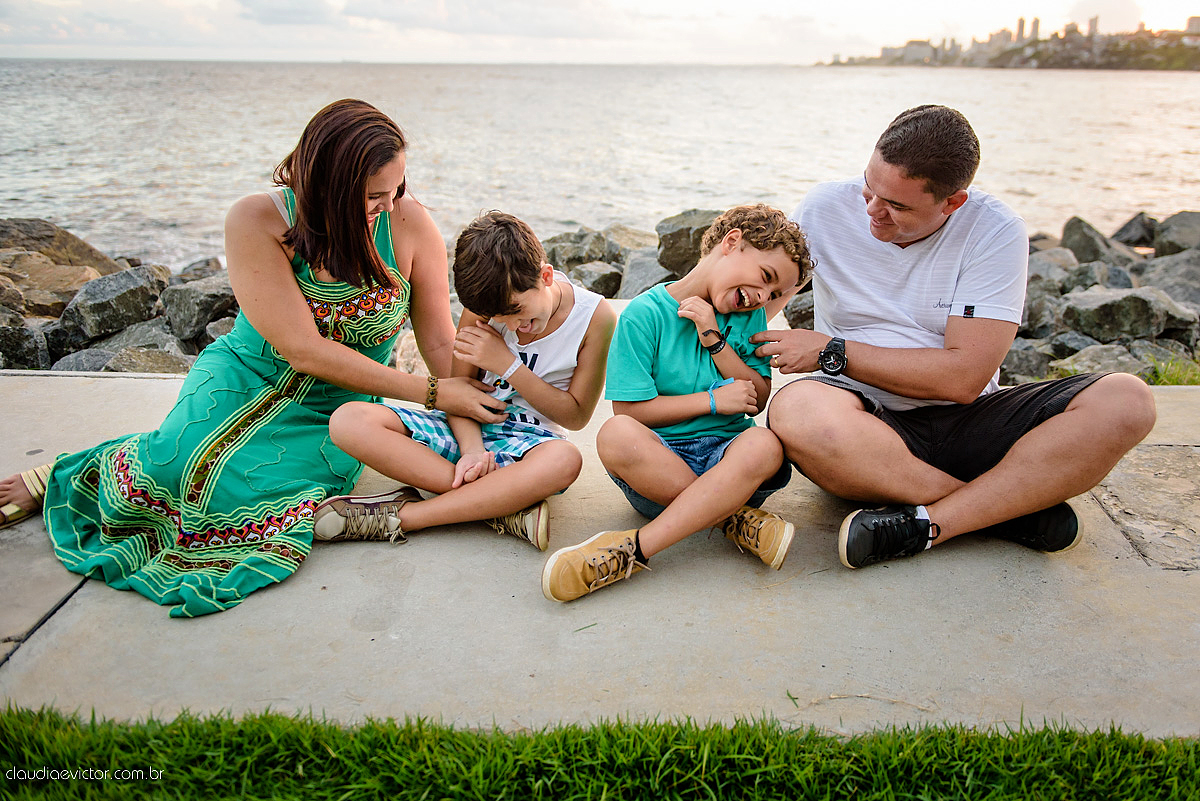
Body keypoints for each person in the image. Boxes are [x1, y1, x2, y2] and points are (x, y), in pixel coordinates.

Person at [0, 99, 506, 617]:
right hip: (244, 374)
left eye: (396, 189)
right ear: (326, 184)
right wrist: (430, 393)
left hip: (337, 405)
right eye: (373, 195)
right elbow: (302, 349)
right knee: (180, 464)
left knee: (253, 489)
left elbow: (439, 343)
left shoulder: (408, 223)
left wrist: (469, 409)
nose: (389, 203)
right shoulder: (256, 219)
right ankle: (68, 473)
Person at [751, 104, 1157, 570]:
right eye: (869, 187)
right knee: (796, 410)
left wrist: (832, 351)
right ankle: (998, 510)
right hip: (861, 427)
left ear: (952, 202)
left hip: (968, 420)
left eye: (898, 206)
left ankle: (925, 524)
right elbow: (757, 300)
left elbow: (963, 378)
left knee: (1128, 401)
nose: (872, 212)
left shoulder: (994, 230)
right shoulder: (824, 207)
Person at [541, 204, 813, 603]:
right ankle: (732, 519)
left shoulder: (750, 316)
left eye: (773, 294)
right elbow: (630, 413)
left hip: (730, 461)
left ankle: (634, 548)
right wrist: (712, 401)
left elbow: (755, 400)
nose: (761, 297)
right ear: (731, 243)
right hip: (661, 467)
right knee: (615, 435)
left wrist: (714, 338)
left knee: (766, 445)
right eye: (765, 277)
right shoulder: (643, 315)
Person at [312, 211, 616, 549]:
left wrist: (507, 364)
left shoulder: (595, 318)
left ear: (545, 276)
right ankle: (501, 505)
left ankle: (403, 518)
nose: (513, 326)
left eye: (518, 312)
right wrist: (471, 451)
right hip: (465, 431)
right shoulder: (485, 305)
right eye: (502, 319)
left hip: (532, 443)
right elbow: (456, 395)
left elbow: (575, 417)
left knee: (565, 460)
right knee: (348, 421)